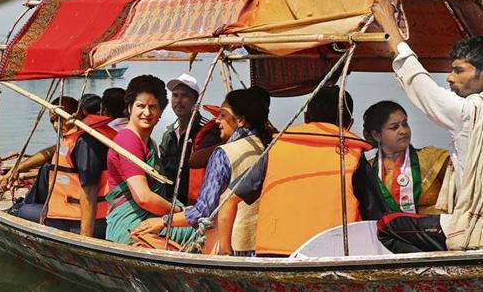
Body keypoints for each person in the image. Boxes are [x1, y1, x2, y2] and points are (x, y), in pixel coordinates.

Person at [372, 0, 483, 253]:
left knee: (387, 225)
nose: (450, 78)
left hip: (472, 229)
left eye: (459, 70)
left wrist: (391, 28)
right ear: (374, 135)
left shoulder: (468, 112)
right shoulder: (369, 165)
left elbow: (421, 84)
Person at [217, 86, 372, 256]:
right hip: (330, 257)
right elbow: (378, 217)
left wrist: (225, 251)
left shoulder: (276, 150)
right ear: (349, 124)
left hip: (273, 257)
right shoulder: (354, 156)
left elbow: (228, 201)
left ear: (306, 117)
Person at [132, 86, 273, 256]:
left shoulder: (224, 154)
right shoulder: (265, 147)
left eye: (222, 115)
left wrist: (162, 221)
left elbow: (203, 211)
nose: (217, 120)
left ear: (240, 120)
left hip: (229, 247)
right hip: (258, 244)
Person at [105, 75, 194, 245]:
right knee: (204, 226)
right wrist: (180, 211)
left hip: (148, 218)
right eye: (140, 106)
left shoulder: (148, 142)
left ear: (161, 112)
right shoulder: (128, 140)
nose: (147, 113)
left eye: (153, 107)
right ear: (130, 108)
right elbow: (143, 197)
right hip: (132, 225)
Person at [15, 96, 116, 239]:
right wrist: (18, 168)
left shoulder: (85, 142)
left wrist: (85, 238)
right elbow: (53, 151)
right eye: (53, 121)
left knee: (21, 210)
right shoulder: (80, 137)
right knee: (46, 169)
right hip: (94, 215)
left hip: (89, 221)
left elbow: (90, 191)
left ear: (78, 114)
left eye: (60, 118)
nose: (56, 125)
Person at [356, 101, 450, 219]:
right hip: (387, 236)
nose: (403, 131)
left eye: (405, 124)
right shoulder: (368, 170)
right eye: (394, 127)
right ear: (377, 135)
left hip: (435, 234)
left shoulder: (433, 158)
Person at [159, 74, 207, 204]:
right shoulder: (169, 134)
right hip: (169, 204)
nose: (178, 101)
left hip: (195, 206)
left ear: (196, 100)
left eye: (184, 96)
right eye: (175, 95)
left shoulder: (206, 131)